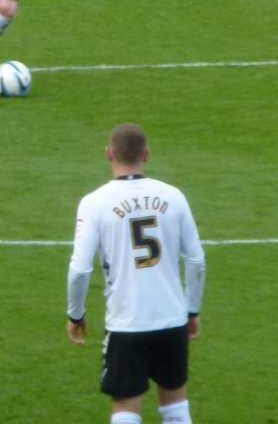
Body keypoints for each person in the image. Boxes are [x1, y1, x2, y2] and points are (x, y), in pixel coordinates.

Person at [66, 123, 206, 424]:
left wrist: (75, 315)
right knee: (176, 405)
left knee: (126, 407)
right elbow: (196, 259)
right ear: (147, 154)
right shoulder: (174, 196)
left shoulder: (95, 202)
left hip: (127, 322)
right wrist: (192, 310)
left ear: (109, 154)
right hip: (171, 318)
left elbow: (79, 269)